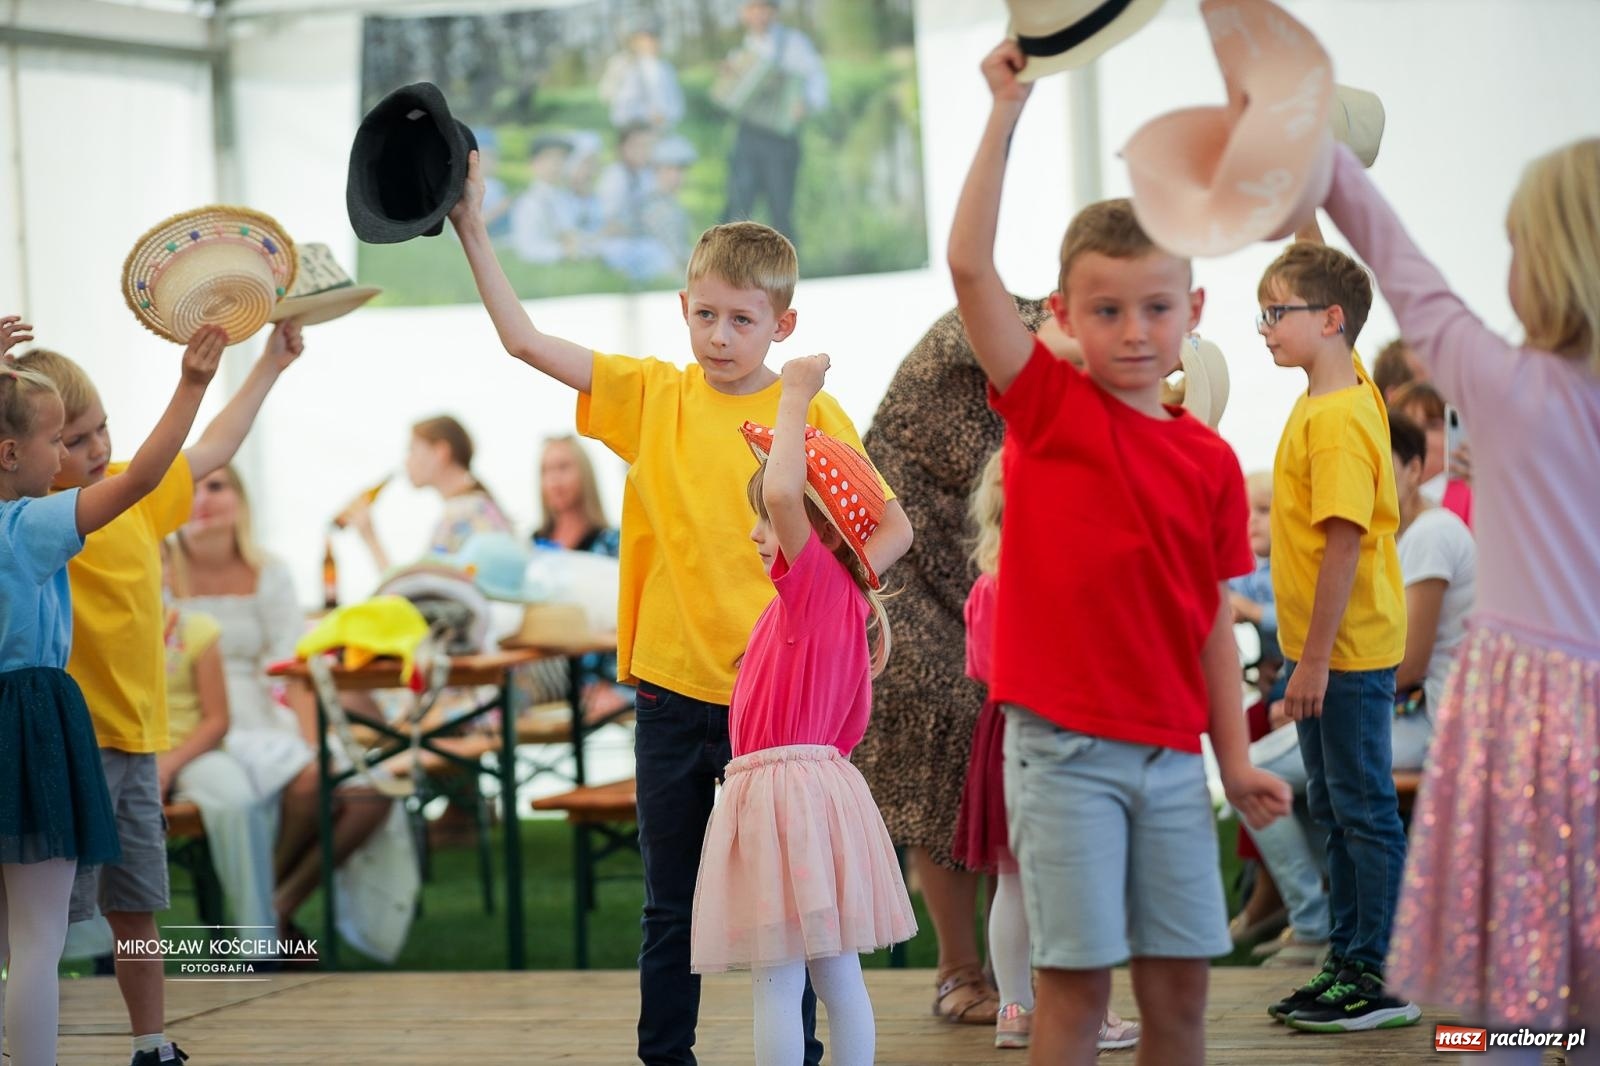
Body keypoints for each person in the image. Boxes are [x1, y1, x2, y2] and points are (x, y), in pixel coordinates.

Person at [449, 146, 913, 1066]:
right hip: (668, 693)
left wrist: (844, 595)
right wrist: (470, 225)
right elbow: (524, 342)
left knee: (791, 911)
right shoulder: (650, 395)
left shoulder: (810, 415)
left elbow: (890, 529)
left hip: (776, 714)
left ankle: (803, 1056)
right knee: (671, 904)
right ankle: (666, 1058)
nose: (720, 334)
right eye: (705, 314)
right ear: (683, 309)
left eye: (742, 319)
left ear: (783, 324)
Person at [947, 41, 1290, 1065]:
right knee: (1074, 999)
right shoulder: (1047, 409)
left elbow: (1210, 632)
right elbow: (969, 266)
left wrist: (1232, 758)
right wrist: (1005, 110)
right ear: (1062, 317)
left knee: (1181, 998)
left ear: (1193, 311)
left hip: (1175, 766)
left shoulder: (1210, 465)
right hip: (1060, 758)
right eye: (1105, 310)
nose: (1133, 330)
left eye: (1154, 307)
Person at [1323, 138, 1600, 1052]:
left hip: (1533, 721)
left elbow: (1404, 269)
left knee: (1519, 997)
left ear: (1553, 262)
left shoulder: (1507, 386)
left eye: (1517, 247)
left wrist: (1322, 159)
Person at [15, 320, 301, 1066]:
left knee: (134, 905)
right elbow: (158, 460)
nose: (96, 449)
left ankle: (150, 1042)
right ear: (31, 450)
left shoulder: (131, 501)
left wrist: (268, 364)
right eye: (72, 440)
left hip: (136, 742)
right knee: (31, 919)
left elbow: (208, 449)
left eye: (101, 428)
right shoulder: (42, 522)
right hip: (67, 750)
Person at [1, 326, 222, 1066]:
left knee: (21, 932)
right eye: (57, 439)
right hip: (35, 726)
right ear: (15, 453)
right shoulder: (31, 527)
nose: (72, 453)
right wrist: (190, 385)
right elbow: (139, 479)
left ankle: (142, 1041)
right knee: (37, 937)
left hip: (40, 724)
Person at [689, 355, 915, 1065]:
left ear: (811, 531)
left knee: (778, 981)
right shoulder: (838, 598)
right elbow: (896, 533)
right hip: (816, 795)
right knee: (832, 971)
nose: (759, 532)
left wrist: (795, 396)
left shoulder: (814, 587)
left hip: (786, 800)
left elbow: (786, 491)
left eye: (767, 519)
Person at [1254, 237, 1418, 1032]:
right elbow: (1326, 275)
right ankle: (1348, 958)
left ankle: (1377, 975)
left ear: (1329, 320)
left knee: (1361, 809)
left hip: (1344, 654)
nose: (1263, 327)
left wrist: (1310, 661)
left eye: (1276, 312)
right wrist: (1303, 205)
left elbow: (1344, 540)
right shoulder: (1339, 388)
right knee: (1332, 803)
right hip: (1325, 653)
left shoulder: (1342, 416)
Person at [950, 449, 1141, 1052]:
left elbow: (980, 668)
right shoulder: (1070, 583)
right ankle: (1094, 1016)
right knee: (1081, 885)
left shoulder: (987, 587)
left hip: (1000, 733)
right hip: (1061, 738)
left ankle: (1013, 1007)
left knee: (1013, 882)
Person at [170, 465, 398, 940]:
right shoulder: (159, 569)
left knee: (369, 791)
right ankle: (261, 917)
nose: (203, 498)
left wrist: (315, 743)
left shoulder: (269, 570)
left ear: (241, 498)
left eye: (217, 485)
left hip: (266, 710)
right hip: (199, 718)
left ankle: (272, 903)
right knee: (307, 784)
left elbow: (296, 668)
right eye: (191, 488)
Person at [156, 550, 278, 940]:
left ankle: (258, 943)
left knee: (240, 802)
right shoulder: (94, 629)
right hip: (121, 752)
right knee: (88, 803)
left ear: (170, 570)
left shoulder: (196, 629)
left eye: (155, 558)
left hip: (191, 752)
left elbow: (217, 720)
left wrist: (168, 766)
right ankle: (97, 952)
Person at [1387, 410, 1476, 772]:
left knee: (1260, 767)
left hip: (1436, 717)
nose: (1366, 478)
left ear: (1413, 469)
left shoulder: (1431, 532)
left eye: (1379, 463)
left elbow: (1409, 665)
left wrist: (1325, 697)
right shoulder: (1397, 537)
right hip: (1417, 710)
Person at [531, 434, 630, 724]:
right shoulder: (532, 547)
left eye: (563, 468)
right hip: (540, 671)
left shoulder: (610, 543)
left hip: (596, 676)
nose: (554, 480)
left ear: (584, 475)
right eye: (546, 471)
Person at [716, 0, 828, 245]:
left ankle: (786, 273)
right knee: (739, 203)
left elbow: (817, 80)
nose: (759, 15)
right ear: (744, 14)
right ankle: (733, 270)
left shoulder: (794, 43)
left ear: (774, 12)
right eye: (752, 9)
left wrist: (806, 103)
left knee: (780, 207)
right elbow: (729, 99)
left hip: (780, 138)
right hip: (747, 135)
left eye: (764, 8)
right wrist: (727, 80)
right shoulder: (740, 50)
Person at [344, 414, 511, 572]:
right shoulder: (479, 505)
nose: (407, 461)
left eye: (412, 450)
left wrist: (370, 538)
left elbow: (412, 593)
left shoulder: (459, 513)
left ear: (441, 451)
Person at [597, 18, 685, 133]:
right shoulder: (624, 64)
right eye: (644, 39)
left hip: (663, 131)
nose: (650, 43)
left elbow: (677, 106)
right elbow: (608, 96)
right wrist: (647, 114)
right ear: (635, 42)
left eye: (654, 38)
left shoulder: (666, 68)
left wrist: (664, 116)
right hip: (633, 133)